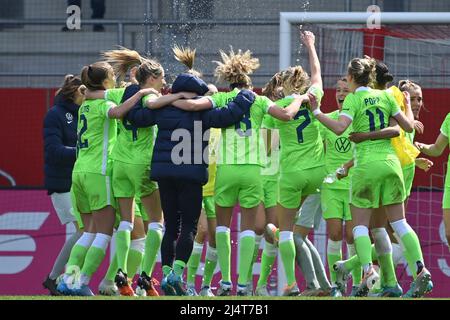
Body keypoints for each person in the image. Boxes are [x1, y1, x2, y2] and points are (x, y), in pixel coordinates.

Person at [309, 55, 432, 298]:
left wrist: (316, 111)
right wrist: (406, 104)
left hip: (365, 166)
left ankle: (367, 272)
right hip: (391, 165)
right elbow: (407, 127)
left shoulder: (354, 99)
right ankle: (420, 268)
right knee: (399, 223)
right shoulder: (386, 95)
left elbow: (339, 127)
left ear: (353, 77)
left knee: (360, 227)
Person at [126, 72, 256, 296]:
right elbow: (228, 115)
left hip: (164, 174)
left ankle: (166, 274)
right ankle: (176, 275)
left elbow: (136, 117)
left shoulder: (162, 108)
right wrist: (246, 95)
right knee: (189, 225)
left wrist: (140, 92)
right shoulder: (202, 111)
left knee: (170, 227)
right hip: (190, 174)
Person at [56, 61, 154, 296]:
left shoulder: (84, 105)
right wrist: (140, 93)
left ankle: (69, 279)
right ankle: (81, 281)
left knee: (88, 232)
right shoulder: (103, 104)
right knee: (103, 233)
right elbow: (118, 112)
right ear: (106, 81)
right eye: (112, 75)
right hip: (99, 173)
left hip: (79, 172)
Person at [42, 75, 85, 295]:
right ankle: (59, 280)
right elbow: (53, 150)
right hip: (62, 183)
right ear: (77, 92)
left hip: (82, 182)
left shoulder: (86, 113)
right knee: (84, 231)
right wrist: (84, 153)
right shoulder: (55, 115)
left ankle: (66, 281)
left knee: (87, 233)